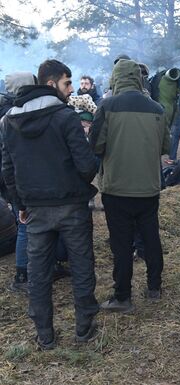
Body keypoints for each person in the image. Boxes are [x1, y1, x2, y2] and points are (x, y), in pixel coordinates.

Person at [1, 59, 99, 349]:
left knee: (38, 272)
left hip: (34, 209)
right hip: (71, 205)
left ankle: (45, 335)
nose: (71, 89)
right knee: (82, 266)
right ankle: (84, 329)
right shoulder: (66, 117)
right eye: (67, 83)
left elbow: (8, 170)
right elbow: (86, 165)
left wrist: (20, 203)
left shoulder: (9, 121)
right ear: (50, 84)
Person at [91, 59, 170, 312]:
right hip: (148, 187)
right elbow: (165, 147)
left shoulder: (106, 106)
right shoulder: (157, 108)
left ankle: (122, 297)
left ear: (115, 78)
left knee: (121, 244)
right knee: (151, 236)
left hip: (117, 188)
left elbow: (96, 146)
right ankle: (154, 287)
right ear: (139, 78)